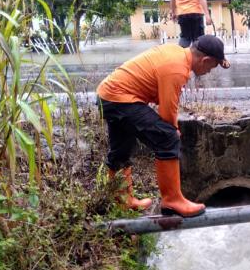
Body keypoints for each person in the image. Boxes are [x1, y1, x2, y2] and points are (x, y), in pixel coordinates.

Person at [96, 35, 230, 217]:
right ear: (204, 60)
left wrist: (221, 60)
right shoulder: (177, 69)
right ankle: (172, 200)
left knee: (122, 149)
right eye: (211, 67)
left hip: (108, 95)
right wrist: (174, 132)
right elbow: (167, 112)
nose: (209, 72)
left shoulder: (176, 53)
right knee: (167, 137)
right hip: (120, 98)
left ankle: (122, 201)